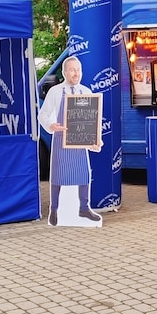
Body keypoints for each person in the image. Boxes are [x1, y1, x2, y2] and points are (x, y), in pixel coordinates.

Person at [37, 55, 102, 226]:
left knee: (84, 175)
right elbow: (42, 115)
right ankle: (54, 210)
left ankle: (84, 208)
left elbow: (93, 121)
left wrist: (96, 140)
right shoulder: (55, 92)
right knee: (57, 177)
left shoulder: (87, 92)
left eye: (78, 70)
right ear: (65, 72)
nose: (76, 73)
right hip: (61, 141)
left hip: (80, 143)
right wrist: (52, 125)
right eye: (72, 70)